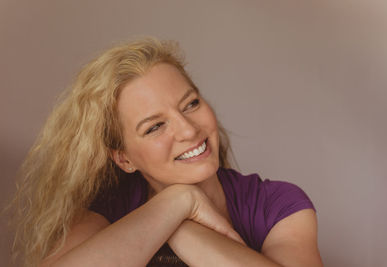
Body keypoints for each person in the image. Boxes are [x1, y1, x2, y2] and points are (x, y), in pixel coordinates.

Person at [11, 38, 323, 267]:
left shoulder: (279, 205)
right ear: (124, 158)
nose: (188, 130)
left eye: (191, 104)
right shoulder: (107, 208)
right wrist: (178, 201)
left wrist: (179, 224)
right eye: (154, 127)